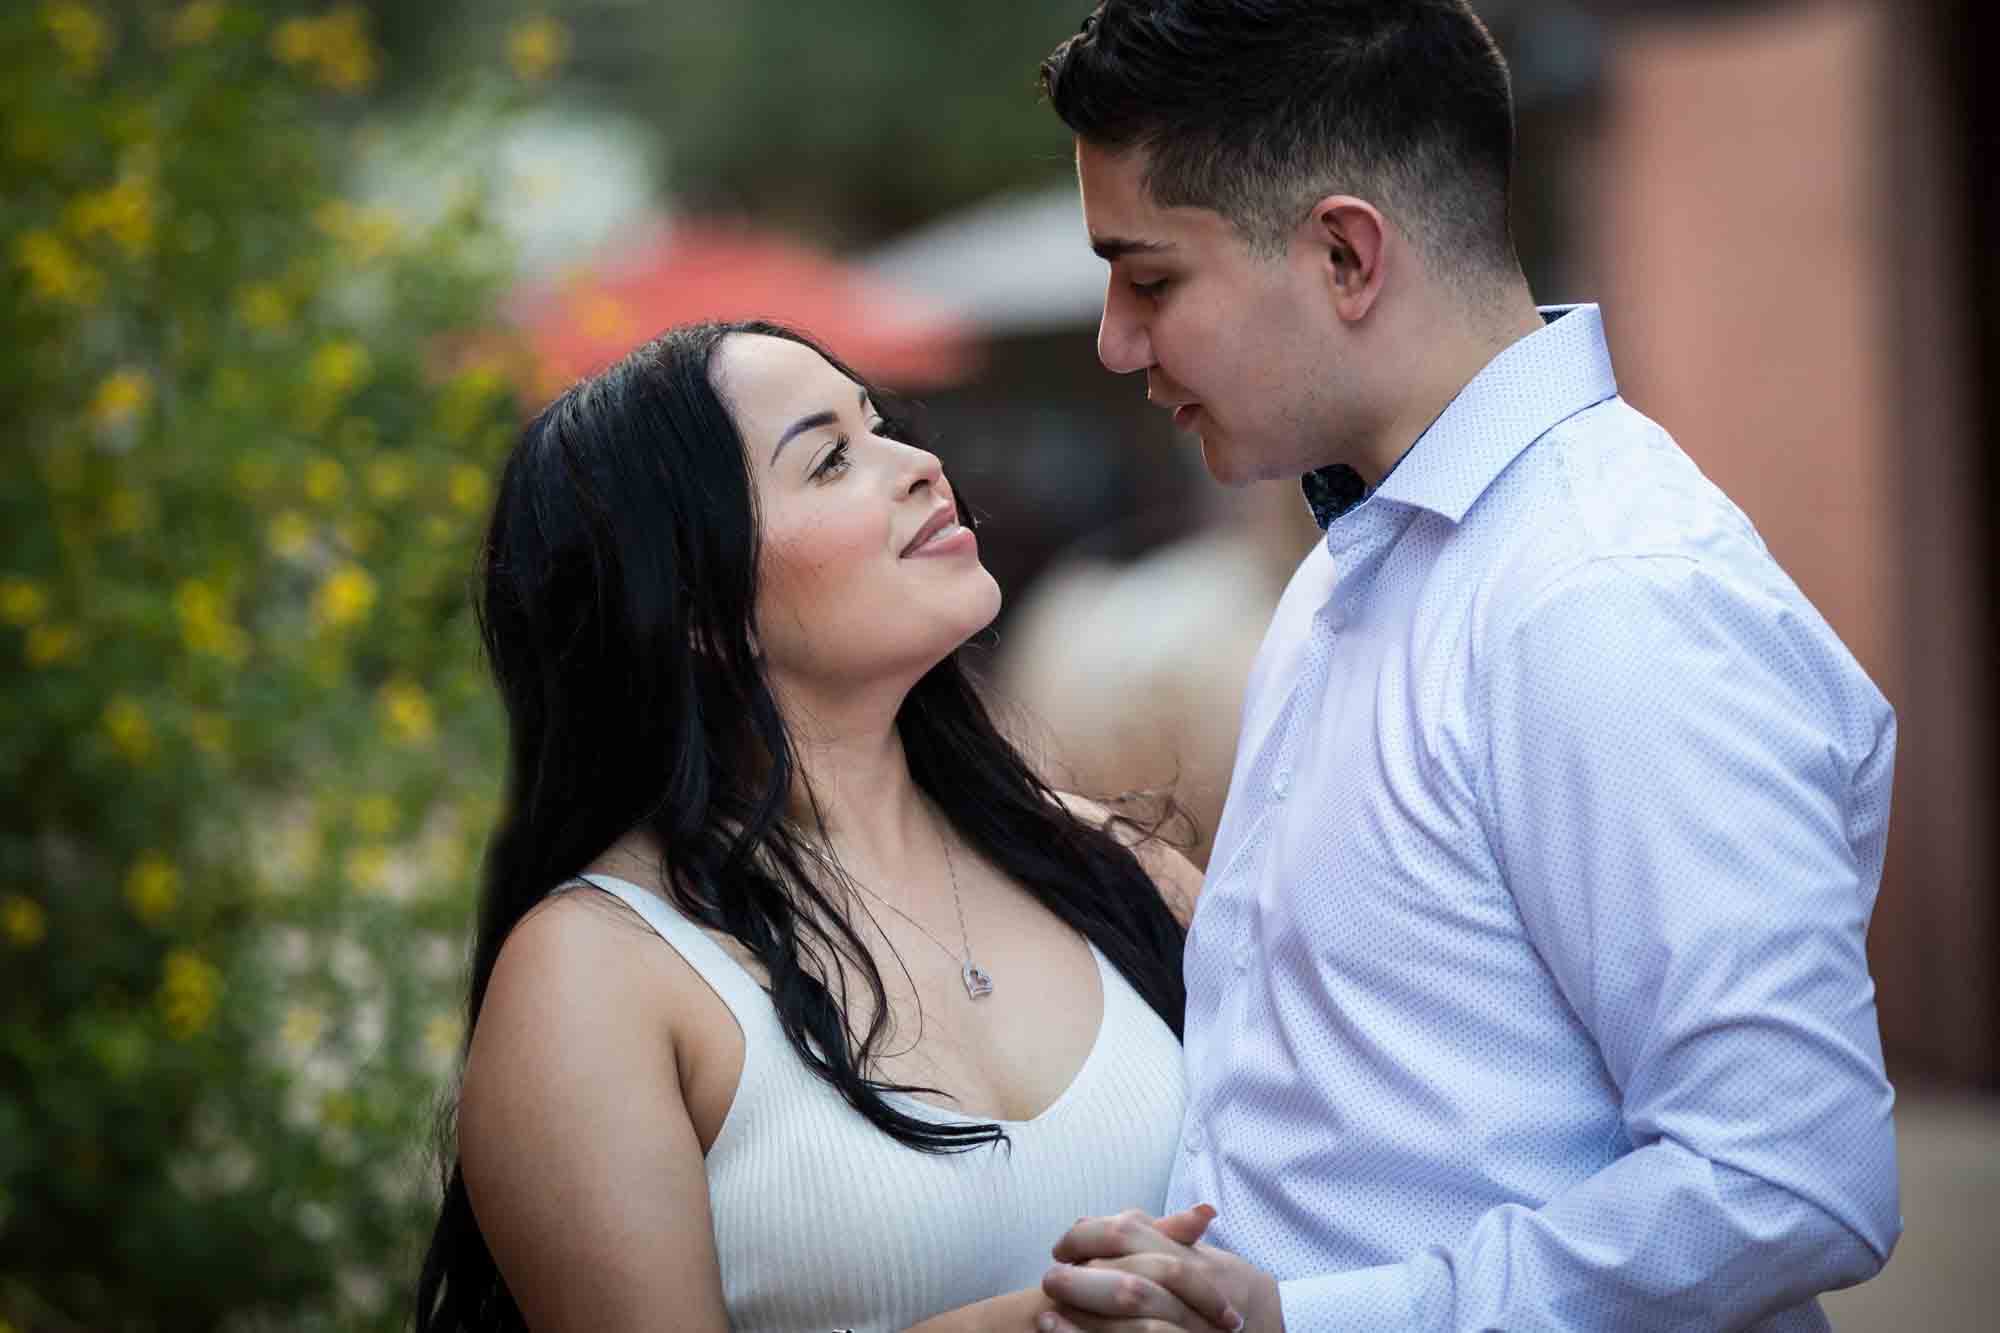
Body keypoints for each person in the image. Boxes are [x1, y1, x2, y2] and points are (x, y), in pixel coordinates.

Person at [1030, 3, 1902, 1331]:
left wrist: (1305, 1319)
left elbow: (1790, 1178)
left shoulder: (1607, 600)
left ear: (1343, 252)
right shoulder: (1354, 564)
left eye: (1150, 280)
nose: (1115, 342)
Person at [410, 320, 1240, 1332]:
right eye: (833, 457)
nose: (921, 467)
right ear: (694, 607)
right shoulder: (602, 975)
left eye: (882, 424)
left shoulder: (1119, 872)